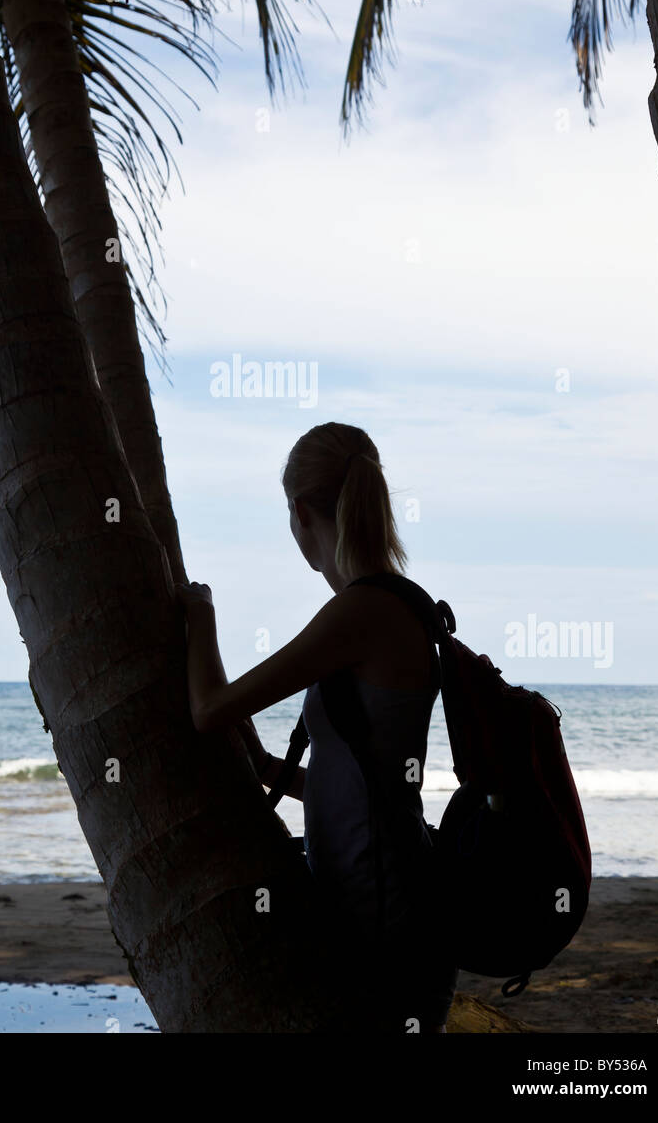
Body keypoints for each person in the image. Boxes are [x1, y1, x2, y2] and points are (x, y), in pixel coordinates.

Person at [179, 421, 457, 1033]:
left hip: (387, 923)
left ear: (301, 513)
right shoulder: (395, 602)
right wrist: (272, 772)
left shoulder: (361, 611)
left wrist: (200, 613)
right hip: (386, 908)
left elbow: (208, 709)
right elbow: (369, 780)